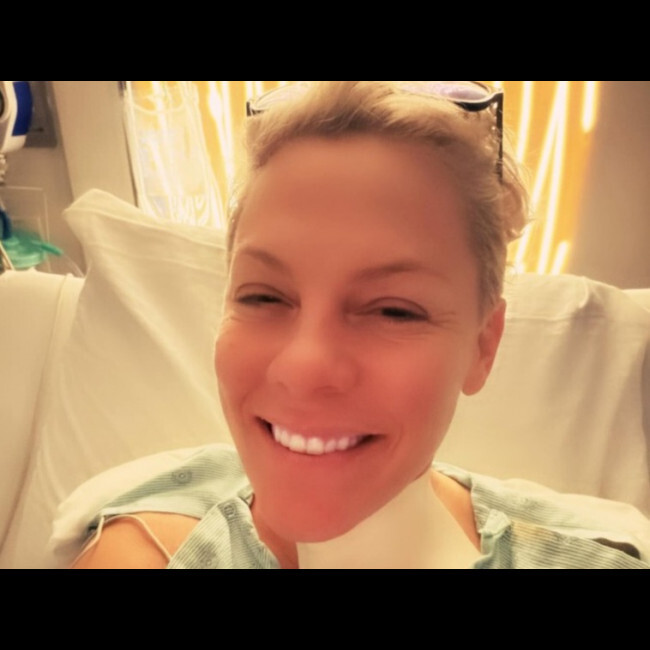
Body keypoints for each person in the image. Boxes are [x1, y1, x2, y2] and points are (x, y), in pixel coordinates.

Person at [73, 81, 650, 569]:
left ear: (483, 345)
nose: (303, 368)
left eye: (394, 310)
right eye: (264, 296)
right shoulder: (151, 553)